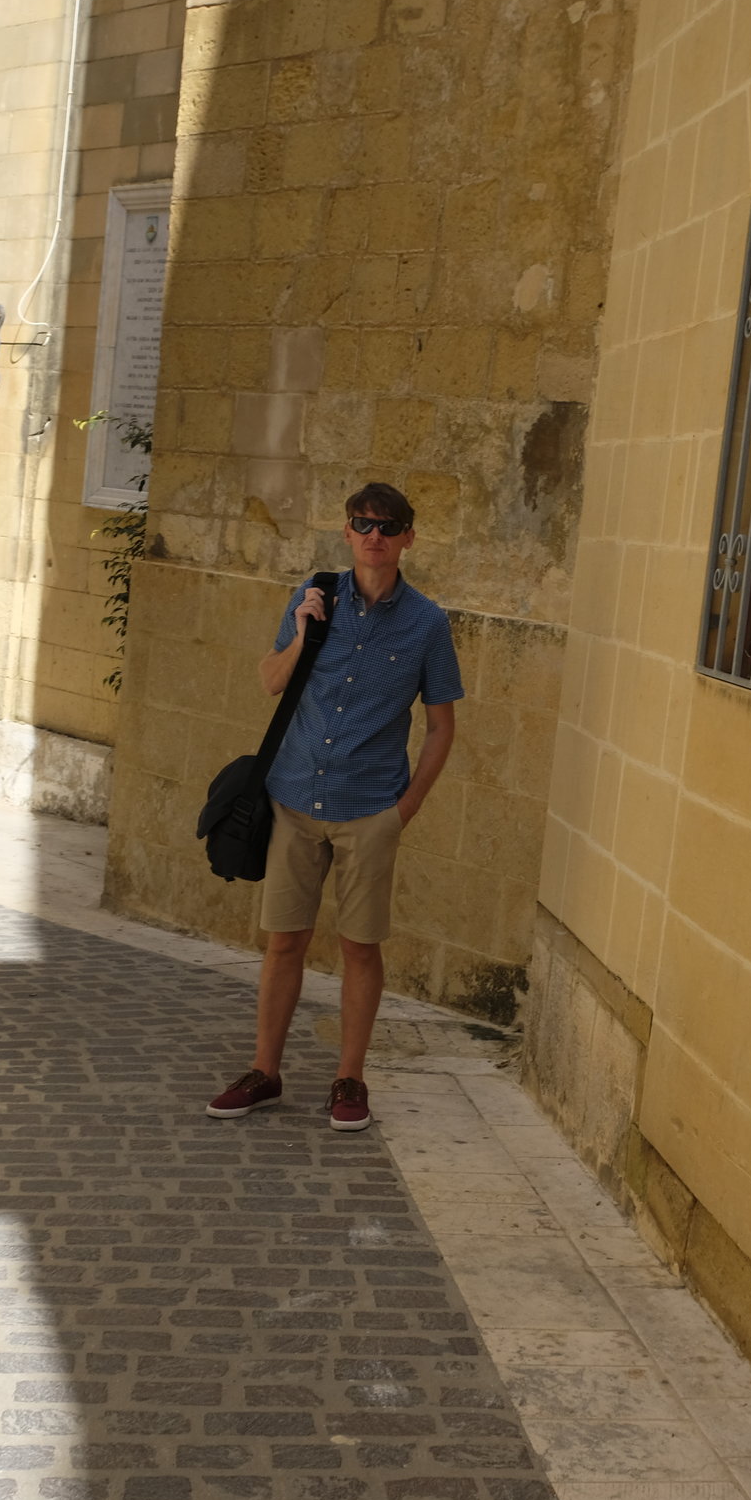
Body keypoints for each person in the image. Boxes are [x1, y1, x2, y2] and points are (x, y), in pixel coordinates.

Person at [205, 482, 461, 1131]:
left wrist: (403, 810)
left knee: (359, 948)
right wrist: (300, 634)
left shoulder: (428, 624)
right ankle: (265, 1071)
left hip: (370, 809)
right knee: (283, 941)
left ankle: (350, 1079)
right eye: (362, 523)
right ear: (347, 532)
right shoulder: (313, 596)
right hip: (292, 800)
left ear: (408, 537)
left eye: (388, 525)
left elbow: (441, 726)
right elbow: (269, 680)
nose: (374, 534)